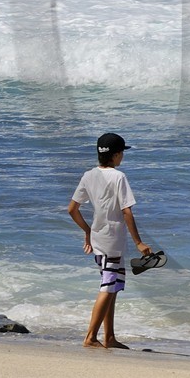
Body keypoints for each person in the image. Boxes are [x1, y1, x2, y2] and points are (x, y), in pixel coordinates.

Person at [66, 132, 155, 350]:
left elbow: (72, 209)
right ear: (115, 155)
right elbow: (127, 212)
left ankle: (110, 337)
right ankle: (90, 337)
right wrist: (139, 243)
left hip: (99, 238)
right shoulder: (119, 177)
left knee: (112, 286)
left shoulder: (88, 175)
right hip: (112, 239)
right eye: (122, 153)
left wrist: (88, 231)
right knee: (107, 287)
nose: (122, 157)